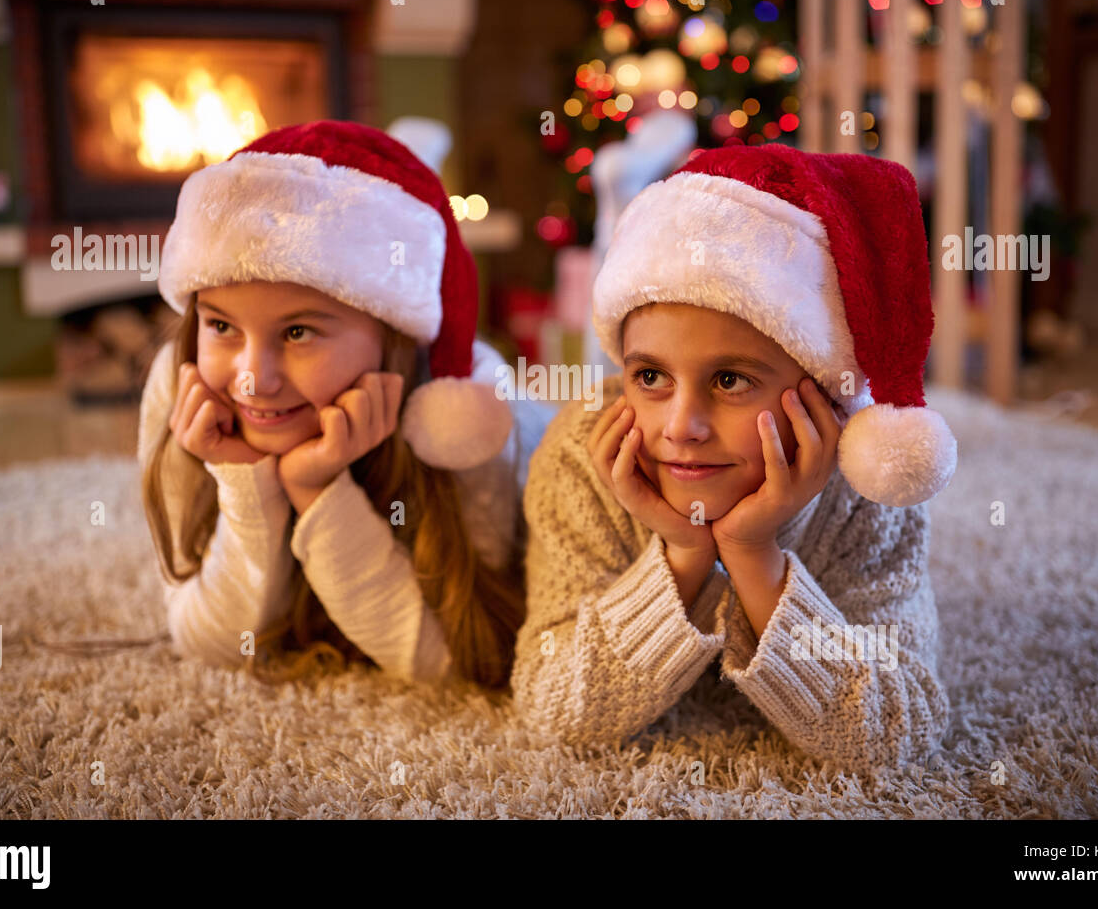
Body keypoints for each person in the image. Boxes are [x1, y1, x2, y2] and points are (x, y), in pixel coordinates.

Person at [511, 144, 958, 770]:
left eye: (729, 381)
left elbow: (897, 728)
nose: (681, 427)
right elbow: (554, 708)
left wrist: (754, 555)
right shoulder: (583, 459)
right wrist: (684, 553)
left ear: (824, 393)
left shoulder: (866, 485)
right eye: (650, 377)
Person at [138, 120, 546, 691]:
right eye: (222, 325)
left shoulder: (467, 415)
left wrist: (319, 491)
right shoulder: (181, 386)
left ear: (390, 338)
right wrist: (244, 482)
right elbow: (211, 644)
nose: (253, 381)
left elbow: (453, 663)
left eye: (299, 332)